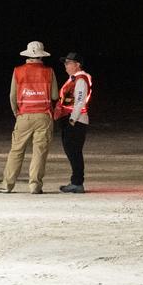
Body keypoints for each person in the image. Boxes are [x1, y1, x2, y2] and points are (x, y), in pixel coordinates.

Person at [0, 41, 57, 194]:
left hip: (23, 116)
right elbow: (55, 95)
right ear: (41, 55)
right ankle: (35, 186)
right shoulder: (49, 71)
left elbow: (12, 96)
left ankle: (7, 185)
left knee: (16, 151)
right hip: (43, 116)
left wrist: (16, 112)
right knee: (39, 152)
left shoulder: (18, 71)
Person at [55, 52, 92, 193]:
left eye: (68, 62)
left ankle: (77, 183)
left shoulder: (81, 79)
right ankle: (76, 181)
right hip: (70, 119)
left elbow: (80, 101)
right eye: (65, 62)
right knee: (72, 152)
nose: (66, 65)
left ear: (77, 65)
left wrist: (72, 119)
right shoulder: (73, 79)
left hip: (76, 120)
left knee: (74, 152)